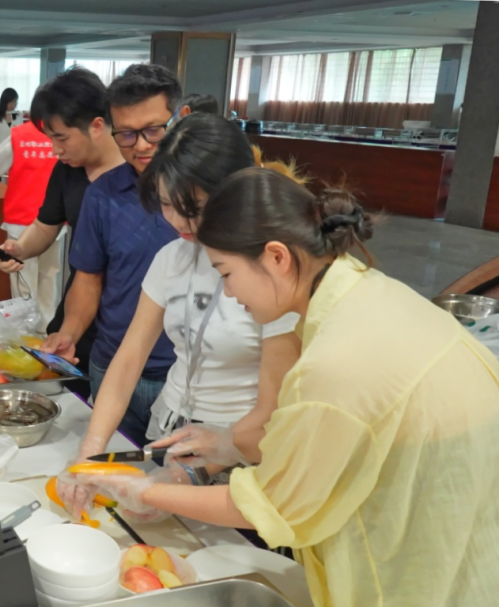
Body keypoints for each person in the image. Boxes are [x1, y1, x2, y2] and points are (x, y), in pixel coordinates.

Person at [74, 167, 499, 607]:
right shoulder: (367, 291)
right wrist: (229, 443)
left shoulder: (336, 360)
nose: (228, 293)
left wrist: (143, 490)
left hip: (417, 573)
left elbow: (274, 506)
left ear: (277, 257)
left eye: (225, 273)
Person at [57, 112, 303, 515]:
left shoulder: (273, 273)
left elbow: (272, 412)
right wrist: (91, 450)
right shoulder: (173, 257)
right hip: (171, 435)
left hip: (239, 451)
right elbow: (129, 357)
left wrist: (193, 472)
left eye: (195, 209)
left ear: (237, 196)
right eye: (168, 204)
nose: (178, 222)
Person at [50, 65, 183, 443]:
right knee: (109, 469)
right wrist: (69, 332)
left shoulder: (212, 195)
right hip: (111, 367)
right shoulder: (102, 194)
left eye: (153, 130)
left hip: (182, 376)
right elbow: (88, 278)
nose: (140, 145)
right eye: (125, 134)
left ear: (181, 118)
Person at [0, 67, 124, 383]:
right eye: (50, 138)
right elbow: (45, 226)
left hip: (123, 319)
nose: (55, 149)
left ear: (97, 126)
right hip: (77, 314)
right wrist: (19, 248)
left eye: (61, 138)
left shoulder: (135, 175)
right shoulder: (68, 170)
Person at [0, 88, 63, 333]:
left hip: (20, 223)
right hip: (56, 224)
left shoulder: (19, 135)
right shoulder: (64, 135)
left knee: (23, 283)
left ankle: (24, 336)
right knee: (49, 280)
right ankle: (47, 332)